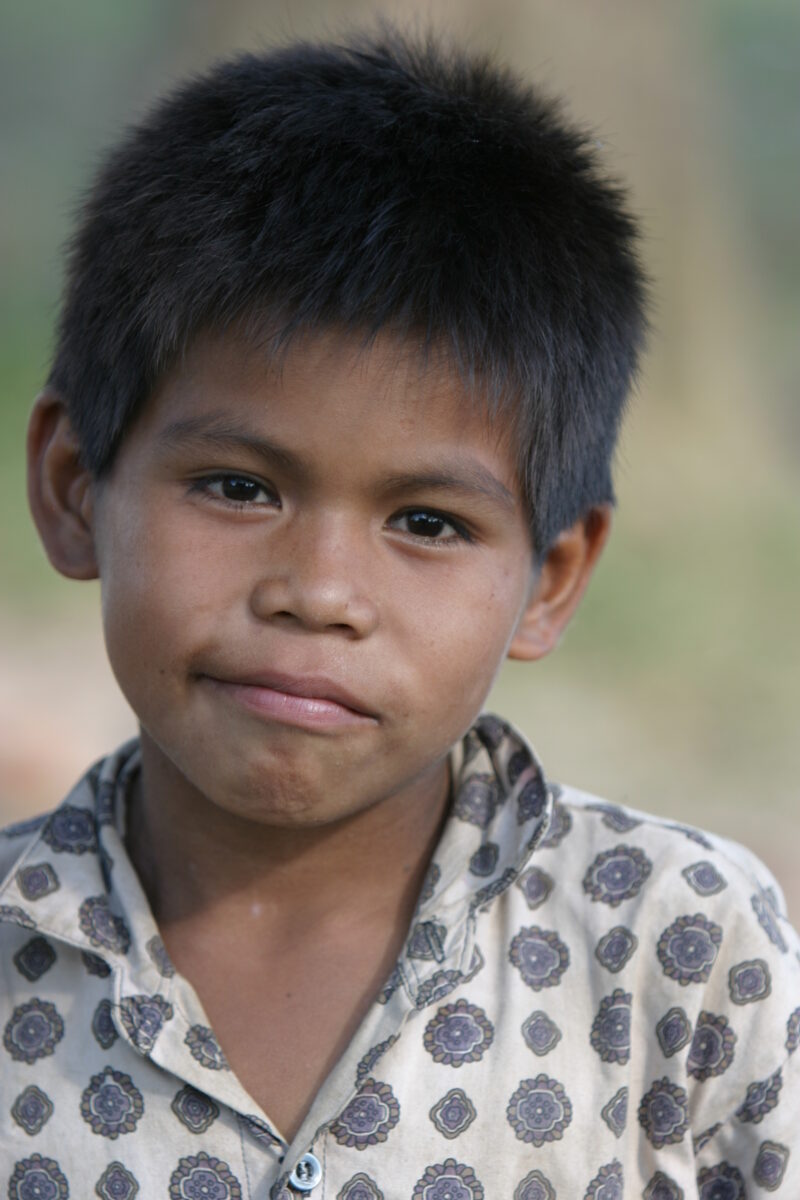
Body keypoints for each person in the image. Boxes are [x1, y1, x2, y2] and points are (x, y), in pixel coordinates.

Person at [1, 29, 797, 1200]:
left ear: (550, 579)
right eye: (237, 488)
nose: (319, 593)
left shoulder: (678, 951)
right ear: (75, 489)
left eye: (426, 522)